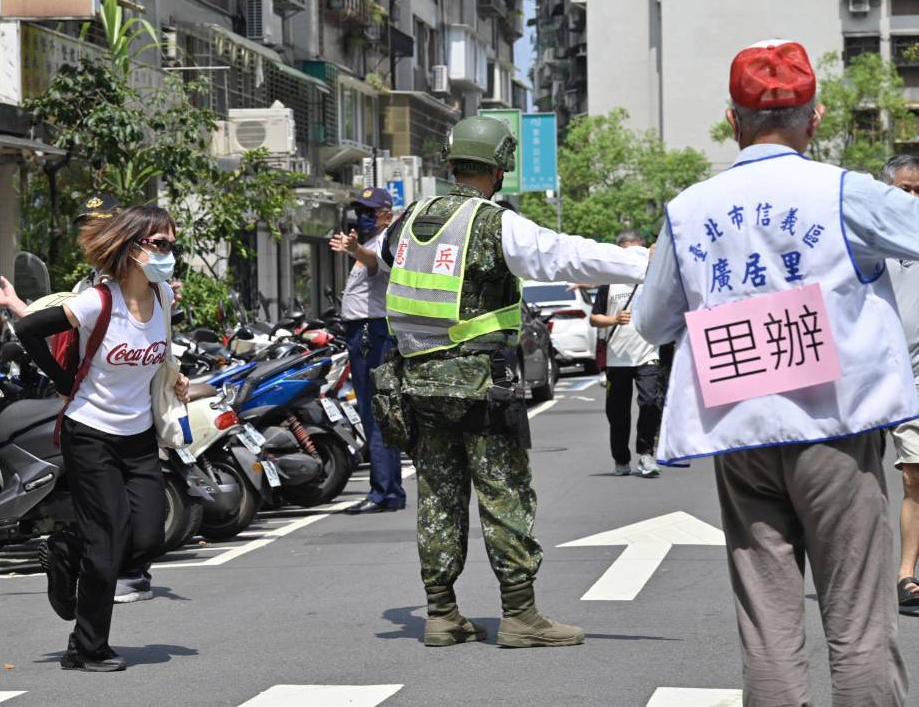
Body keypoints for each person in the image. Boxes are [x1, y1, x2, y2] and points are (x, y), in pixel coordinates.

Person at [635, 39, 919, 705]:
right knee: (858, 623)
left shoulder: (691, 208)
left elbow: (650, 322)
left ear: (732, 122)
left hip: (740, 433)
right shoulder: (847, 193)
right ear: (814, 119)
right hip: (837, 431)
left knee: (768, 625)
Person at [374, 116, 649, 648]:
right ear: (499, 169)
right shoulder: (493, 222)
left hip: (417, 387)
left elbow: (384, 259)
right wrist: (642, 261)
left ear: (452, 163)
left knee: (437, 496)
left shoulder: (405, 221)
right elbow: (565, 254)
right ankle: (521, 616)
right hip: (480, 386)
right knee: (503, 493)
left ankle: (440, 613)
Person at [15, 205, 189, 673]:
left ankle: (67, 548)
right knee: (107, 542)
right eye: (162, 245)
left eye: (172, 244)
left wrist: (175, 377)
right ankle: (87, 647)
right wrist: (62, 378)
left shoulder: (165, 298)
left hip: (137, 435)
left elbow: (161, 349)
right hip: (89, 432)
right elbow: (26, 329)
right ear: (133, 248)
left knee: (150, 535)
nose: (170, 254)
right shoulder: (97, 301)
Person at [0, 194, 156, 605]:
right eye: (86, 225)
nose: (89, 233)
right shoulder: (89, 286)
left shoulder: (144, 281)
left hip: (134, 411)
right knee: (107, 511)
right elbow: (59, 325)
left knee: (139, 518)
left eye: (100, 224)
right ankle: (92, 573)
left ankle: (113, 564)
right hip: (92, 413)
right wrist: (19, 309)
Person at [329, 187, 405, 515]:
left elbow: (374, 264)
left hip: (371, 330)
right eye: (360, 209)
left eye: (370, 210)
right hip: (363, 330)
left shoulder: (386, 241)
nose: (362, 215)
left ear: (387, 213)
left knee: (375, 411)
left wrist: (355, 249)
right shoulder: (373, 240)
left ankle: (383, 491)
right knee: (374, 411)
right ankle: (387, 490)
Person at [589, 229, 663, 478]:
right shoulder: (609, 282)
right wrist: (614, 318)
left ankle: (646, 453)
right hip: (617, 357)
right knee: (617, 413)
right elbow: (594, 319)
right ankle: (621, 458)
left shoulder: (652, 279)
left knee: (651, 402)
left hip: (647, 352)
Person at [880, 154, 919, 616]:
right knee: (857, 483)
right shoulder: (864, 239)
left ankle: (906, 575)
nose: (912, 198)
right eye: (905, 189)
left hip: (916, 378)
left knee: (915, 475)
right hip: (866, 378)